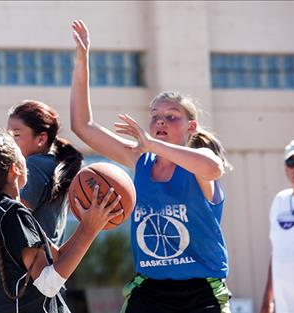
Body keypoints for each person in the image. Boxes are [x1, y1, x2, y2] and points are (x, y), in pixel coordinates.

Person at [70, 20, 232, 313]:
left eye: (172, 116)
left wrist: (150, 143)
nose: (161, 120)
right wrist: (82, 63)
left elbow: (214, 168)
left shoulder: (198, 166)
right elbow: (83, 126)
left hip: (201, 290)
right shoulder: (140, 160)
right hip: (150, 287)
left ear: (191, 126)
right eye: (155, 114)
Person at [0, 131, 122, 313]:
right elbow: (48, 284)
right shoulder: (12, 213)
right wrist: (89, 229)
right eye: (21, 155)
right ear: (14, 169)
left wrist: (89, 225)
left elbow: (56, 257)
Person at [7, 100, 83, 246]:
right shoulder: (52, 164)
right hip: (47, 264)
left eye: (16, 135)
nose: (9, 142)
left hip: (31, 265)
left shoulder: (33, 165)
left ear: (41, 138)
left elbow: (12, 220)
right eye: (8, 135)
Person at [260, 139, 294, 313]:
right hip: (285, 306)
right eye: (292, 162)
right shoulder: (280, 200)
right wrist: (268, 300)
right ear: (286, 168)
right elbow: (278, 252)